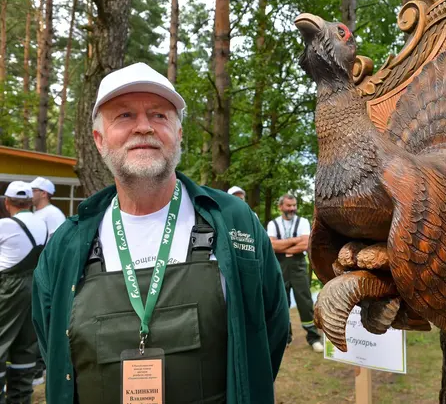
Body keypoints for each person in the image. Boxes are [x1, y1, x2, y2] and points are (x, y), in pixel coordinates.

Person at [32, 62, 289, 404]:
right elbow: (51, 340)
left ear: (178, 134)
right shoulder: (68, 242)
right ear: (99, 139)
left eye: (159, 115)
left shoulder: (233, 221)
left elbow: (268, 330)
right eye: (124, 115)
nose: (144, 127)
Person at [0, 181, 47, 403]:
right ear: (30, 202)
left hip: (9, 288)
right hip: (35, 285)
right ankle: (20, 398)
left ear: (7, 202)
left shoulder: (5, 226)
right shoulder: (42, 224)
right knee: (26, 344)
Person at [267, 194, 323, 353]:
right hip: (279, 266)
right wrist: (294, 241)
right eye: (288, 205)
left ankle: (313, 338)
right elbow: (271, 246)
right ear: (280, 207)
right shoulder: (273, 223)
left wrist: (282, 246)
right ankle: (285, 338)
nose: (292, 208)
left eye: (294, 205)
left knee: (305, 303)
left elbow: (305, 243)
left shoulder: (303, 222)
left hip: (298, 266)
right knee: (281, 302)